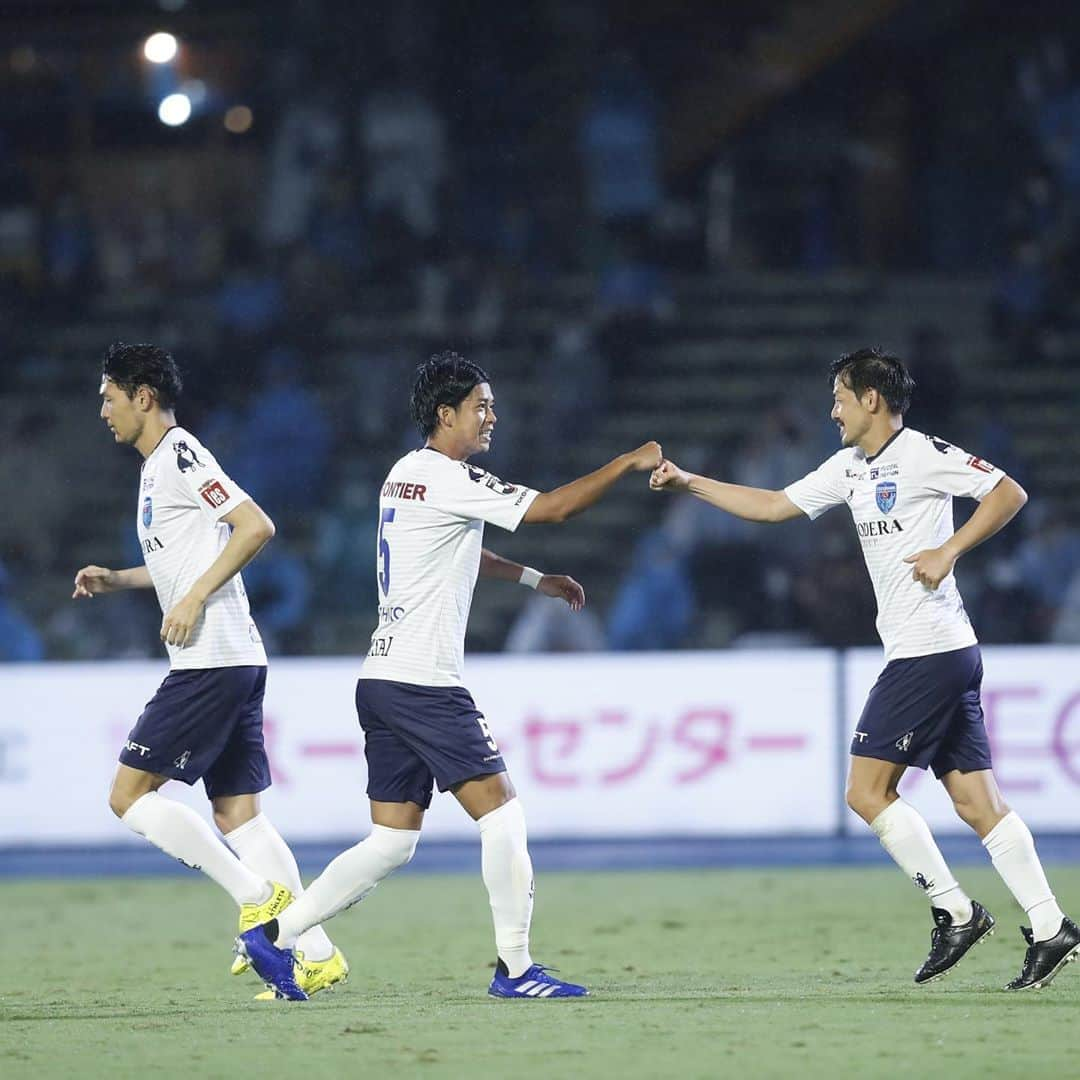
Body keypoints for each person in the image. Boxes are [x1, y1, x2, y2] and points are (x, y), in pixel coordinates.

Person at [649, 347, 1079, 992]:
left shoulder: (925, 454)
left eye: (839, 399)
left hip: (927, 651)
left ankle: (956, 912)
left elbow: (1008, 492)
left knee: (866, 793)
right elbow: (771, 506)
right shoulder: (849, 468)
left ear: (871, 399)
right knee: (975, 800)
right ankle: (1051, 929)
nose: (833, 411)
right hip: (945, 650)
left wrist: (950, 548)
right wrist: (690, 482)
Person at [237, 350, 662, 1000]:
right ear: (445, 413)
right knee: (503, 816)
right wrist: (629, 462)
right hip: (424, 682)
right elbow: (552, 509)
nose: (492, 416)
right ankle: (516, 970)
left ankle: (274, 938)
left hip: (382, 679)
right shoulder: (445, 475)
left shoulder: (407, 476)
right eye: (480, 406)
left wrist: (532, 579)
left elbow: (461, 544)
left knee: (390, 843)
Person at [73, 342, 345, 999]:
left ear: (143, 397)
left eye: (109, 397)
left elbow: (254, 526)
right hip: (236, 658)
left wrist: (194, 598)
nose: (102, 410)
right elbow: (188, 560)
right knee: (239, 817)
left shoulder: (179, 453)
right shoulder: (155, 470)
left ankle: (258, 900)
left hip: (212, 660)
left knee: (128, 796)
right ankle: (316, 951)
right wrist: (121, 579)